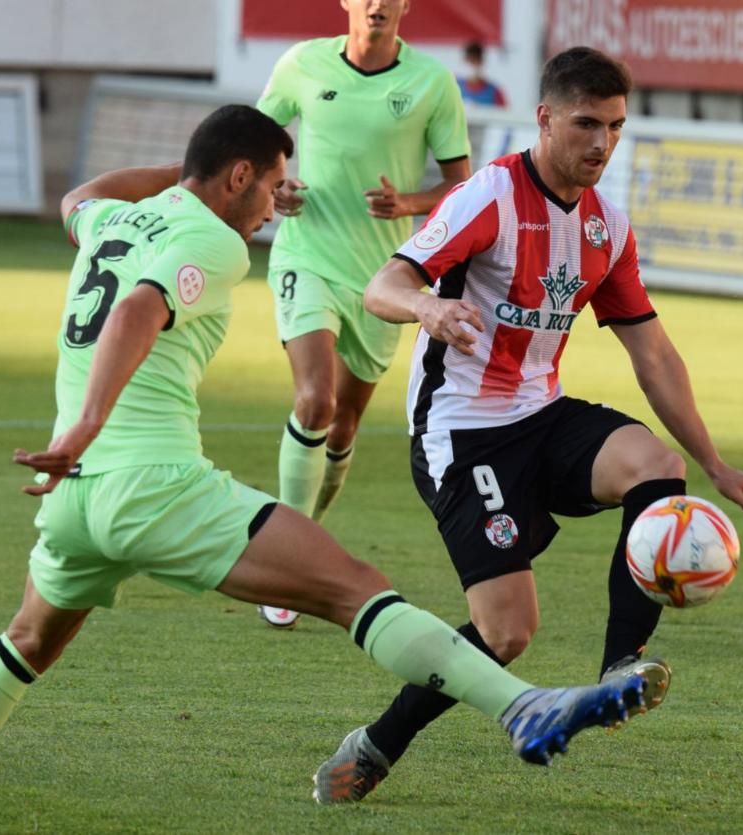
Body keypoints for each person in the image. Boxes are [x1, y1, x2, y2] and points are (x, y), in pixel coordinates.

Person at [0, 105, 650, 833]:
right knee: (356, 586)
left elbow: (80, 195)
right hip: (152, 485)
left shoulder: (110, 221)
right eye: (272, 185)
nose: (277, 205)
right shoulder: (213, 242)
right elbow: (138, 309)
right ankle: (523, 708)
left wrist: (78, 440)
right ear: (238, 176)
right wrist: (91, 423)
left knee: (26, 639)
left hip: (74, 498)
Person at [308, 46, 743, 805]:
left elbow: (650, 350)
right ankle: (379, 742)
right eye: (587, 123)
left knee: (656, 468)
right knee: (507, 633)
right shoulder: (487, 196)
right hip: (461, 432)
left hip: (541, 412)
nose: (602, 143)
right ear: (546, 118)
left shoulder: (605, 227)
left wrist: (714, 462)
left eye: (617, 127)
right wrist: (428, 306)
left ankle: (623, 665)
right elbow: (383, 284)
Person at [254, 0, 473, 632]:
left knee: (344, 427)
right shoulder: (302, 64)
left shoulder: (430, 83)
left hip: (386, 280)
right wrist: (279, 186)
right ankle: (286, 564)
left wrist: (410, 200)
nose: (376, 3)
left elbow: (463, 184)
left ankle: (303, 538)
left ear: (406, 5)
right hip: (307, 257)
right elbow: (258, 141)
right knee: (314, 401)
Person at [459, 41, 508, 108]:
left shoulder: (494, 92)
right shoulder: (455, 89)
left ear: (482, 62)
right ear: (465, 61)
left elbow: (505, 116)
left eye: (477, 61)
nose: (473, 65)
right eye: (471, 61)